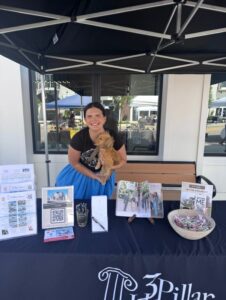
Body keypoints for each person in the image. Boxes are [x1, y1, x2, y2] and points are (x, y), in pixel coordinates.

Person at [55, 102, 127, 200]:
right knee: (78, 206)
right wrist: (94, 176)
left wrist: (110, 168)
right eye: (89, 116)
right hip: (80, 176)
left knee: (98, 209)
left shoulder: (113, 136)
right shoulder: (79, 137)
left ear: (104, 118)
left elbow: (123, 160)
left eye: (98, 115)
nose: (94, 119)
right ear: (85, 120)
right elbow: (74, 163)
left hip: (103, 178)